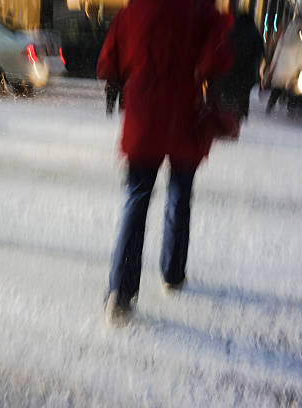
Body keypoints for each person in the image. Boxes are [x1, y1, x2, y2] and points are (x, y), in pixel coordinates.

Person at [97, 0, 233, 327]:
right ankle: (172, 273)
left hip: (145, 117)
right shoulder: (201, 10)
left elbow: (108, 64)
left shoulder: (134, 11)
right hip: (186, 118)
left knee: (136, 199)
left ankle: (121, 291)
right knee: (180, 196)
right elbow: (220, 58)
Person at [213, 12, 265, 122]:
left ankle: (225, 115)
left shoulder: (231, 33)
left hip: (230, 69)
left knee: (228, 93)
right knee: (243, 94)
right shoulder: (255, 35)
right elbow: (260, 54)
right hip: (247, 72)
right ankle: (239, 115)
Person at [265, 17, 302, 114]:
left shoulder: (283, 37)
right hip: (291, 71)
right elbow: (301, 58)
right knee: (292, 92)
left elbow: (277, 53)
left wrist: (272, 68)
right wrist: (301, 69)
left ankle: (269, 107)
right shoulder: (300, 40)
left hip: (280, 69)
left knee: (276, 90)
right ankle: (290, 111)